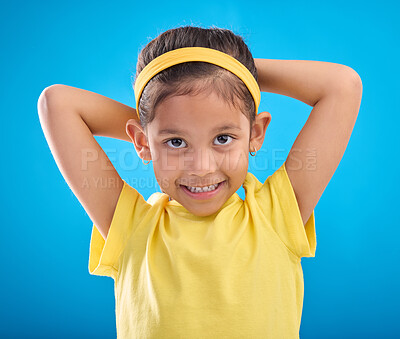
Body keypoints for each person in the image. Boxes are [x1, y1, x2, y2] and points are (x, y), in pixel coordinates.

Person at [37, 25, 362, 338]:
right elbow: (57, 103)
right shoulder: (132, 227)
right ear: (142, 142)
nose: (202, 167)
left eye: (222, 138)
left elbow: (342, 86)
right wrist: (157, 123)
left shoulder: (276, 216)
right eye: (176, 142)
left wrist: (224, 70)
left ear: (256, 133)